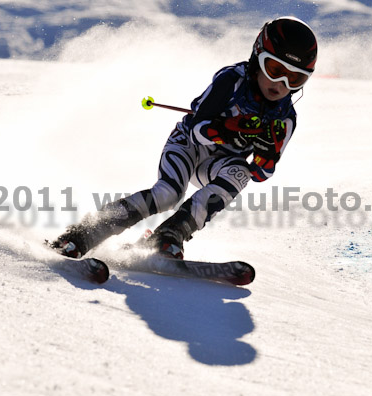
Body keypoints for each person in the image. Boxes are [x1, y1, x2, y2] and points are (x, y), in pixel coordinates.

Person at [51, 16, 318, 259]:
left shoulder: (285, 119)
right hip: (189, 146)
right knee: (168, 194)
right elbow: (197, 129)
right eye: (274, 69)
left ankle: (170, 234)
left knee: (240, 173)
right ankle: (85, 232)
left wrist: (267, 153)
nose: (281, 83)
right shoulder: (232, 80)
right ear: (257, 57)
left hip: (220, 163)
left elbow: (261, 174)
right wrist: (229, 128)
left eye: (295, 79)